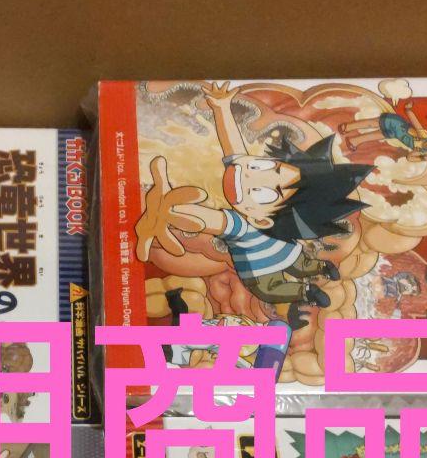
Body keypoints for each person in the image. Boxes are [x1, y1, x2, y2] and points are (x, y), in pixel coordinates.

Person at [132, 82, 371, 324]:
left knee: (285, 278)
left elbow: (206, 219)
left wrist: (171, 209)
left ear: (262, 220)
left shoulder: (241, 226)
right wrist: (222, 108)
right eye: (263, 167)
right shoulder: (243, 210)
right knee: (279, 284)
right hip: (271, 267)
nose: (248, 174)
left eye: (261, 191)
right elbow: (233, 148)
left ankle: (319, 270)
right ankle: (306, 290)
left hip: (265, 269)